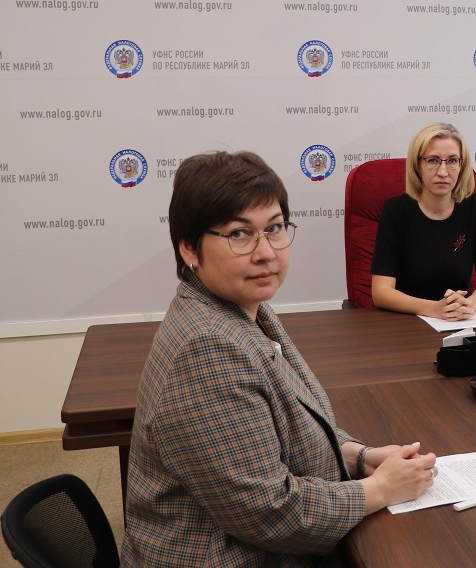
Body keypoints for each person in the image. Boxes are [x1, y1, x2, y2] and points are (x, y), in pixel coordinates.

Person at [122, 151, 437, 568]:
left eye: (274, 228)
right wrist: (379, 489)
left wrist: (360, 457)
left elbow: (287, 429)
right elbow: (271, 512)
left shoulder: (246, 309)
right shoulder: (207, 349)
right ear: (189, 248)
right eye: (239, 234)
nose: (266, 252)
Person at [371, 122, 476, 321]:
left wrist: (469, 305)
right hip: (407, 323)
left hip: (460, 322)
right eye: (433, 160)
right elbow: (381, 292)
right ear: (418, 165)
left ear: (462, 165)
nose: (443, 172)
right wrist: (434, 309)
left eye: (452, 161)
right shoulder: (395, 211)